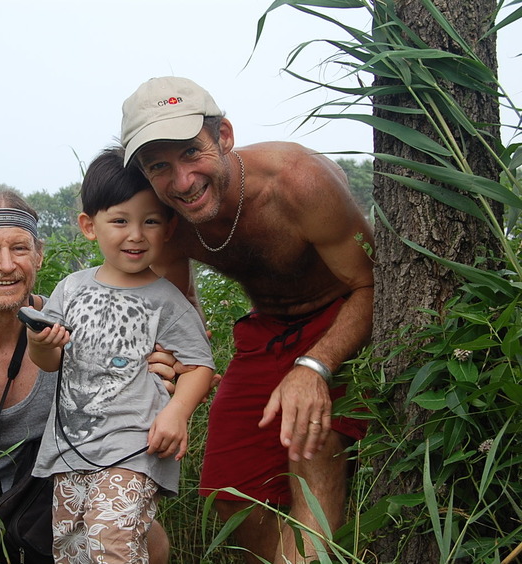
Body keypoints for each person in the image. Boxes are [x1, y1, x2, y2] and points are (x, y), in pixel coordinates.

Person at [120, 76, 375, 563]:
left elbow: (370, 286)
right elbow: (178, 303)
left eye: (192, 153)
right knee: (227, 492)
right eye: (160, 167)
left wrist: (315, 368)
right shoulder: (169, 221)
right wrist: (183, 360)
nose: (183, 181)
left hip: (341, 319)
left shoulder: (298, 183)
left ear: (225, 136)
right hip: (265, 336)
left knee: (309, 441)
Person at [0, 189, 174, 563]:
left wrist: (165, 381)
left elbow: (138, 403)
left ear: (39, 255)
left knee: (152, 542)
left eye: (20, 249)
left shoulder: (79, 328)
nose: (7, 265)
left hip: (53, 502)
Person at [26, 147, 215, 563]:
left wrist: (177, 412)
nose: (135, 234)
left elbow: (201, 364)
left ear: (168, 228)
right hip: (68, 450)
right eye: (120, 221)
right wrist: (40, 345)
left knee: (111, 539)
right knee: (74, 549)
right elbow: (49, 361)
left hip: (135, 451)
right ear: (89, 226)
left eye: (150, 221)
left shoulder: (167, 301)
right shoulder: (70, 289)